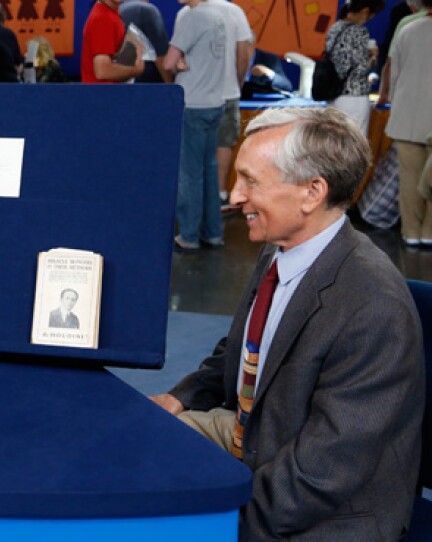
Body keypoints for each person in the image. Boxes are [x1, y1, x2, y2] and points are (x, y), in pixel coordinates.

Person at [150, 107, 424, 539]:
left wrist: (217, 526)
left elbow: (319, 475)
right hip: (259, 434)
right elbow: (241, 347)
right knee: (138, 442)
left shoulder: (374, 308)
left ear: (312, 192)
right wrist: (182, 397)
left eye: (251, 181)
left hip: (325, 507)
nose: (234, 195)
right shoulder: (284, 245)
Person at [163, 0, 227, 251]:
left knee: (190, 173)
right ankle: (212, 233)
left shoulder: (192, 18)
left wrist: (176, 64)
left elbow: (168, 63)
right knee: (209, 171)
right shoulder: (218, 17)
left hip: (193, 104)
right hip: (214, 102)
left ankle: (188, 235)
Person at [174, 0, 253, 205]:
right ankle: (220, 195)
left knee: (192, 156)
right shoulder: (235, 11)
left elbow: (177, 57)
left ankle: (193, 203)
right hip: (227, 93)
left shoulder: (186, 13)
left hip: (193, 97)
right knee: (223, 144)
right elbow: (243, 53)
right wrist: (237, 85)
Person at [385, 0, 432, 247]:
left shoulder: (407, 29)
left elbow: (394, 72)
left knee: (410, 180)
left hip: (407, 116)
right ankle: (429, 233)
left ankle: (411, 233)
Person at [323, 0, 385, 134]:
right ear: (365, 12)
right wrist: (373, 57)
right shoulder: (359, 31)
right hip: (354, 98)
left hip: (333, 95)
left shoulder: (335, 27)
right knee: (355, 143)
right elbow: (360, 69)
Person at [80, 0, 144, 83]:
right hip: (101, 94)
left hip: (107, 93)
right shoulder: (102, 18)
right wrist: (136, 70)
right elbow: (102, 71)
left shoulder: (110, 14)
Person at [119, 0, 170, 83]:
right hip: (145, 86)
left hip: (118, 85)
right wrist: (171, 86)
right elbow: (161, 57)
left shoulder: (113, 13)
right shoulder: (147, 10)